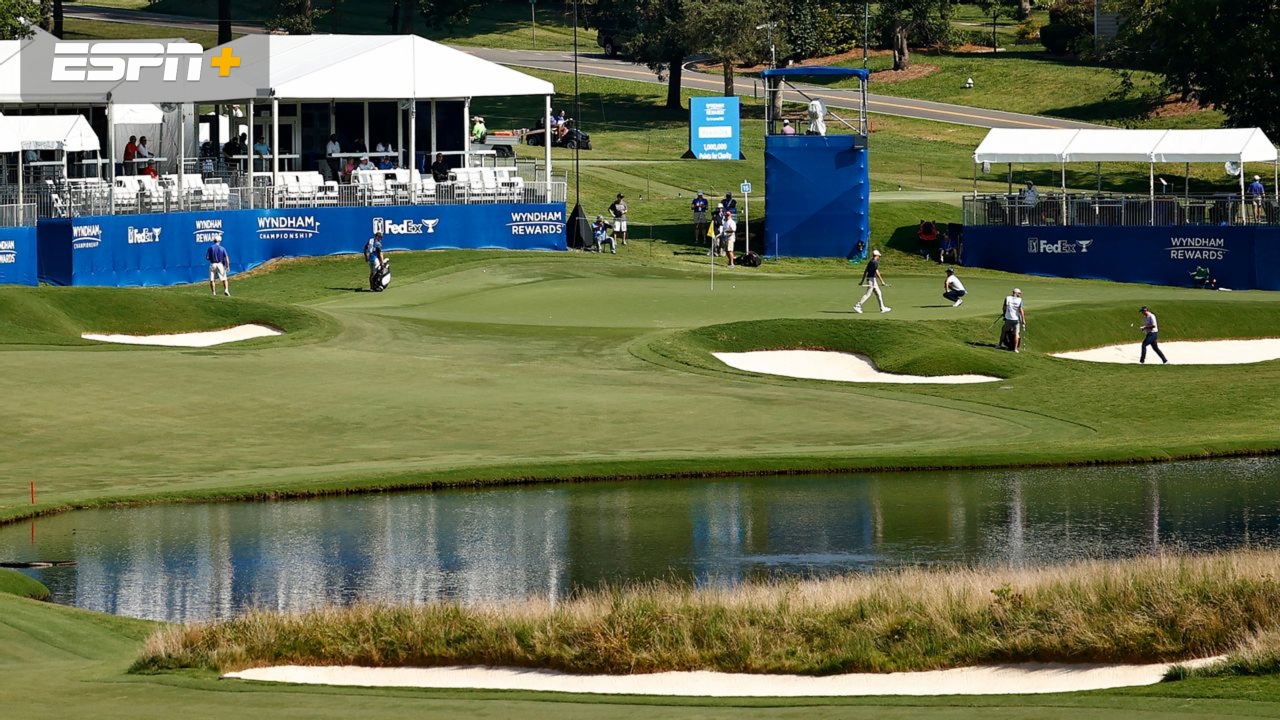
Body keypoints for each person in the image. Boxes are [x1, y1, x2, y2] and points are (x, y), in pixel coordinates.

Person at [854, 249, 890, 314]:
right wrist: (882, 281)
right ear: (876, 256)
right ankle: (858, 305)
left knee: (879, 293)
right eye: (879, 256)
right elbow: (877, 272)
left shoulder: (870, 262)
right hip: (871, 280)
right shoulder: (875, 262)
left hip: (871, 279)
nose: (879, 257)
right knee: (868, 294)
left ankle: (882, 308)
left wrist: (862, 281)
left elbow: (865, 271)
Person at [1001, 288, 1026, 352]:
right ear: (1015, 293)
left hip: (1008, 318)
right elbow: (1021, 310)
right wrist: (1023, 319)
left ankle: (999, 345)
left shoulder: (1007, 298)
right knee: (1016, 334)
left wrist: (1004, 314)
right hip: (1016, 319)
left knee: (1004, 331)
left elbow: (1004, 307)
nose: (1020, 294)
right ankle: (1015, 349)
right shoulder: (1020, 300)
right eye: (1019, 293)